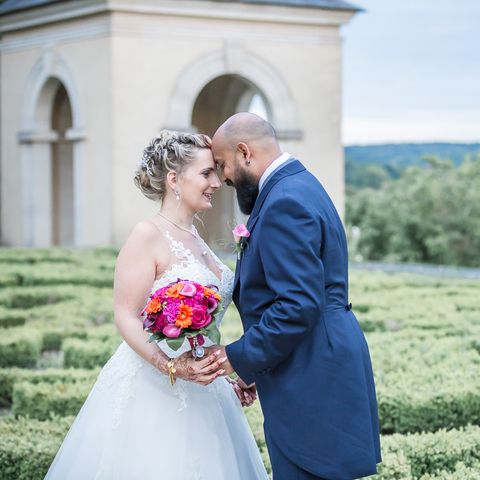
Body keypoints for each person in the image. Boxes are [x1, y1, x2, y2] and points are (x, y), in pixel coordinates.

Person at [45, 130, 269, 479]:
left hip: (206, 390)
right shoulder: (146, 235)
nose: (217, 181)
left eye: (216, 171)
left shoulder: (196, 238)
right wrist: (171, 366)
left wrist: (227, 373)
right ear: (174, 179)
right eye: (206, 173)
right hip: (154, 390)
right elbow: (126, 315)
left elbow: (203, 331)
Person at [210, 113, 381, 479]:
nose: (223, 177)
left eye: (223, 164)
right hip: (312, 360)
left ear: (244, 152)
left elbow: (297, 305)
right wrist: (256, 367)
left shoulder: (283, 202)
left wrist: (236, 357)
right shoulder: (298, 185)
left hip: (312, 373)